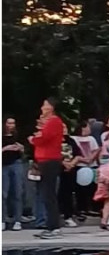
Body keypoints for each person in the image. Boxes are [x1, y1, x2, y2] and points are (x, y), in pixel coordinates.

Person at [30, 98, 66, 239]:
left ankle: (54, 227)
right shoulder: (49, 122)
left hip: (50, 160)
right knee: (45, 194)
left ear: (51, 107)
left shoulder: (54, 121)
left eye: (45, 105)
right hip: (45, 160)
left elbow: (43, 138)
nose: (42, 107)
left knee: (49, 194)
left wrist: (33, 139)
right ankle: (50, 226)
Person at [3, 118, 28, 229]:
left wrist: (21, 148)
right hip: (3, 165)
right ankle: (2, 220)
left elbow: (25, 152)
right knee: (3, 194)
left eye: (13, 123)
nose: (11, 125)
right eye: (9, 123)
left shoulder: (19, 135)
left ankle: (18, 220)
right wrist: (5, 148)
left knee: (18, 192)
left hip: (16, 163)